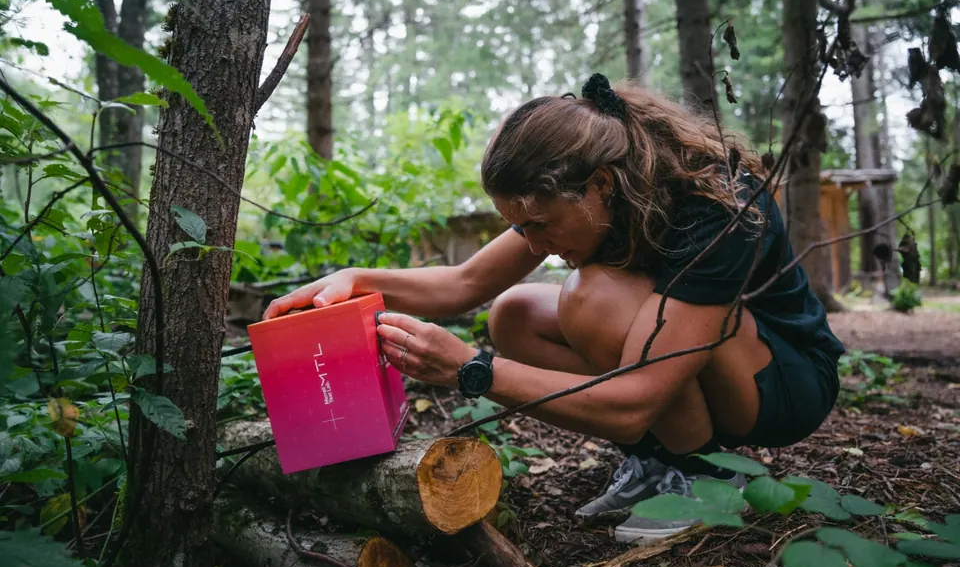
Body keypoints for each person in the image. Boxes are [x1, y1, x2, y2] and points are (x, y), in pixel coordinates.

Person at [262, 74, 846, 543]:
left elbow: (635, 400)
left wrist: (473, 369)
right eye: (520, 227)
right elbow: (464, 283)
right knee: (515, 311)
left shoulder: (712, 204)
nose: (534, 245)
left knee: (592, 294)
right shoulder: (586, 188)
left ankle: (701, 475)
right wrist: (352, 278)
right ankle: (655, 461)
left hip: (784, 380)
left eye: (539, 225)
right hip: (715, 360)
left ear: (600, 186)